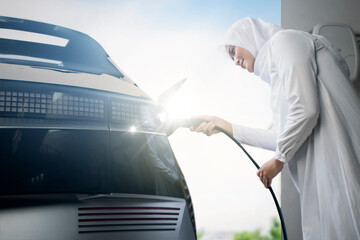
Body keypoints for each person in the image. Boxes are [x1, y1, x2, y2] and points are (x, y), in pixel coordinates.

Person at [191, 17, 360, 240]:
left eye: (233, 50)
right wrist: (223, 125)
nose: (235, 61)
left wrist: (278, 161)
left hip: (339, 159)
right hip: (323, 174)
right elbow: (279, 137)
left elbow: (306, 109)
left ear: (248, 35)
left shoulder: (284, 41)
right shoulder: (277, 83)